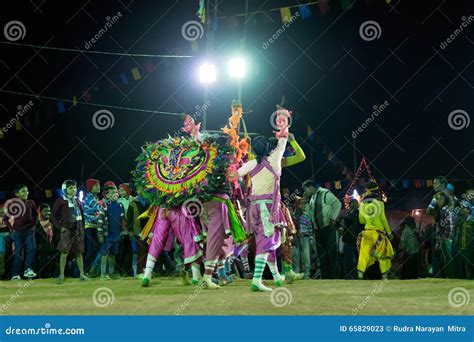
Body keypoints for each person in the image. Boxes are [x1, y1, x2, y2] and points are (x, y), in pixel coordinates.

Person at [238, 121, 289, 292]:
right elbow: (283, 140)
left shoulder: (252, 164)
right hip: (268, 208)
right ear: (268, 147)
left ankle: (276, 277)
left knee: (268, 242)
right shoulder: (275, 159)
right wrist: (283, 123)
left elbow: (234, 174)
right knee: (266, 242)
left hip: (253, 208)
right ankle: (257, 280)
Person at [141, 206, 203, 287]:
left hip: (162, 208)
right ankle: (196, 276)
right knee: (188, 239)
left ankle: (147, 275)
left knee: (156, 241)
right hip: (178, 209)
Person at [302, 180, 342, 279]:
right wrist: (305, 204)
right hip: (318, 231)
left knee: (332, 253)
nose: (305, 192)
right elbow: (310, 214)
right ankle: (326, 277)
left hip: (328, 228)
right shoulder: (312, 198)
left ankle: (336, 276)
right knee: (322, 255)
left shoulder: (325, 193)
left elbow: (337, 204)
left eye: (306, 189)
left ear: (311, 187)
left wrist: (333, 218)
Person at [52, 180, 88, 284]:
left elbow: (82, 215)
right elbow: (53, 216)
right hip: (67, 230)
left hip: (78, 230)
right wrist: (60, 227)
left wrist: (83, 228)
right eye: (70, 188)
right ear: (65, 189)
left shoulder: (78, 201)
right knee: (64, 252)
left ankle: (82, 274)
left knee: (79, 252)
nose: (73, 190)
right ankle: (61, 275)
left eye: (74, 187)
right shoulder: (60, 200)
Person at [356, 181, 394, 280]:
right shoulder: (380, 204)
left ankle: (360, 276)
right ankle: (384, 277)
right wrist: (389, 233)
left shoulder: (362, 205)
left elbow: (361, 221)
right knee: (382, 256)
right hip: (378, 235)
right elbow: (383, 219)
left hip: (367, 233)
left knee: (363, 254)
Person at [90, 184, 126, 280]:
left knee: (113, 254)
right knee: (105, 254)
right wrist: (100, 235)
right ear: (107, 195)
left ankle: (111, 273)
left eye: (116, 192)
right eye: (113, 193)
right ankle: (102, 274)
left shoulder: (120, 205)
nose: (116, 194)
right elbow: (100, 221)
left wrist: (123, 232)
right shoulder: (104, 206)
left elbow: (122, 220)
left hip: (116, 234)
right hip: (107, 235)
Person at [3, 185, 38, 280]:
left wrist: (34, 225)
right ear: (17, 194)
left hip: (29, 230)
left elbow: (35, 215)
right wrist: (11, 229)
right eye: (23, 191)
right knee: (18, 253)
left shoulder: (31, 203)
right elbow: (5, 219)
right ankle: (15, 274)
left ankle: (28, 270)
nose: (26, 193)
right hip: (18, 232)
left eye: (27, 191)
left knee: (32, 249)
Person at [35, 203, 59, 278]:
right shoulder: (36, 224)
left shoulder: (53, 223)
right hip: (41, 249)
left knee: (52, 263)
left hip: (52, 248)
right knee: (42, 264)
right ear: (40, 212)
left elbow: (57, 235)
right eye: (45, 211)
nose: (48, 213)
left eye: (49, 211)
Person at [341, 199, 363, 279]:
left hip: (357, 242)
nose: (353, 206)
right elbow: (346, 222)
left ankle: (358, 276)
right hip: (349, 241)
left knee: (358, 261)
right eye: (352, 204)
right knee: (348, 262)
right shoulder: (347, 215)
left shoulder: (360, 214)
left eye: (355, 204)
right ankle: (349, 276)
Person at [83, 178, 102, 272]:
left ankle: (86, 270)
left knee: (94, 249)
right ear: (90, 187)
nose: (99, 187)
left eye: (99, 185)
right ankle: (82, 271)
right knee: (91, 249)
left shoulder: (95, 198)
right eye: (96, 185)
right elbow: (98, 207)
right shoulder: (90, 197)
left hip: (94, 226)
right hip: (89, 227)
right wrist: (108, 201)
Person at [453, 200, 474, 279]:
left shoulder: (472, 220)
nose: (461, 209)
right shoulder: (458, 220)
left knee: (470, 270)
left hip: (470, 249)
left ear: (468, 210)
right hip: (459, 249)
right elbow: (454, 233)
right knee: (459, 271)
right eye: (461, 207)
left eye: (464, 207)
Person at [0, 205, 11, 279]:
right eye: (1, 211)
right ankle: (2, 274)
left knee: (9, 257)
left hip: (9, 239)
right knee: (2, 256)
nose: (2, 212)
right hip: (1, 239)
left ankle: (8, 274)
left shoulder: (11, 219)